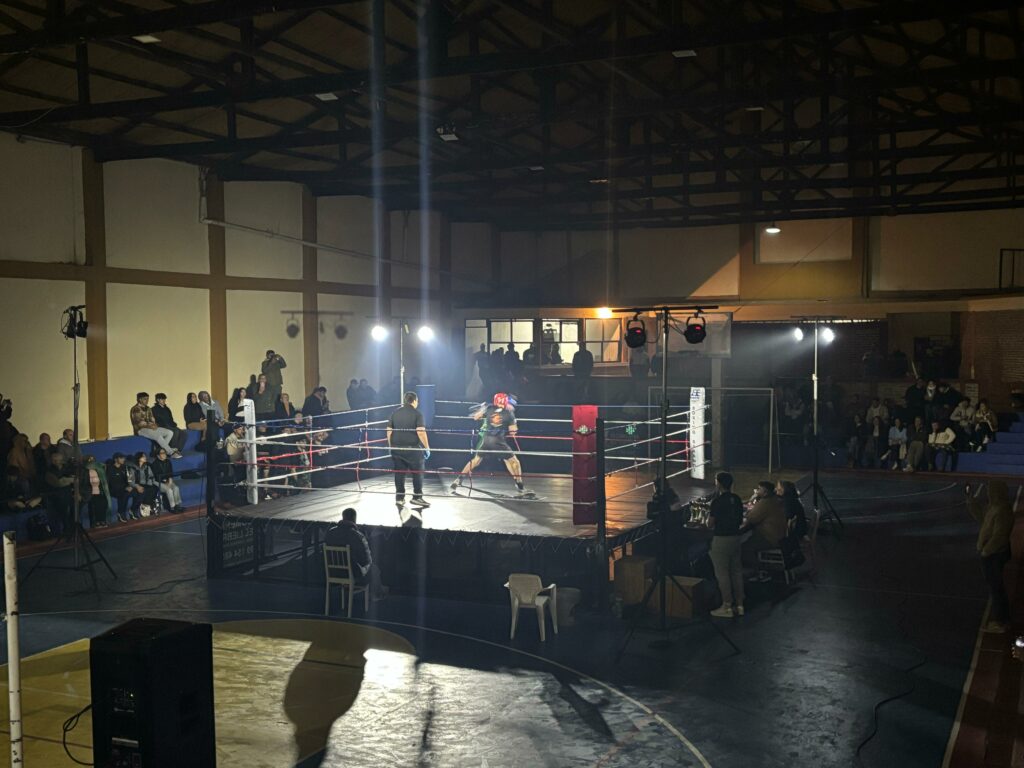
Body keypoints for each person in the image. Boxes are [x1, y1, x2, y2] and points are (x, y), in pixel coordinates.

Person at [450, 392, 529, 497]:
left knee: (476, 461)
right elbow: (513, 431)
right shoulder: (508, 413)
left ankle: (458, 479)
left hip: (486, 439)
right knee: (514, 461)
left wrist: (482, 411)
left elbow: (476, 417)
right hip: (498, 441)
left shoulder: (489, 408)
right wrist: (514, 421)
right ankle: (520, 485)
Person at [965, 481, 1014, 633]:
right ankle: (1002, 619)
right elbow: (982, 518)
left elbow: (1000, 536)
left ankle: (1001, 621)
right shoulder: (994, 507)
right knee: (995, 587)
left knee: (996, 588)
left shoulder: (1003, 511)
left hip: (995, 554)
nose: (988, 494)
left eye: (990, 491)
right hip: (991, 553)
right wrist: (971, 501)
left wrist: (986, 551)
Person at [708, 472, 745, 618]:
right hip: (736, 538)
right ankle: (740, 605)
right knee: (736, 572)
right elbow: (740, 520)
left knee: (722, 574)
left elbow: (710, 524)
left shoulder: (717, 502)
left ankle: (727, 605)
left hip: (721, 539)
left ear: (719, 484)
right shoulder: (737, 499)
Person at [386, 392, 431, 510]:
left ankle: (399, 498)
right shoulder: (417, 414)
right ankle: (417, 497)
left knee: (399, 473)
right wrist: (427, 447)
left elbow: (389, 431)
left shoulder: (394, 413)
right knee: (418, 471)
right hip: (412, 448)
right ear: (414, 401)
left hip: (396, 448)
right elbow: (421, 432)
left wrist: (390, 446)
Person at [741, 481, 787, 570]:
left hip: (770, 538)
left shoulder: (766, 502)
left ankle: (757, 570)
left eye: (759, 489)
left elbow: (752, 518)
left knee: (743, 548)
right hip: (779, 536)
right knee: (747, 537)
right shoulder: (774, 500)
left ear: (765, 492)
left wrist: (747, 512)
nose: (757, 491)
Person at [324, 507, 373, 586]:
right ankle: (377, 592)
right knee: (372, 566)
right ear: (355, 519)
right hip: (351, 573)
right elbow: (365, 559)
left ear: (343, 517)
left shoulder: (330, 532)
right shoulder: (357, 535)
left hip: (333, 572)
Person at [130, 392, 182, 459]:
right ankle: (171, 452)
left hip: (150, 428)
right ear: (140, 399)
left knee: (170, 432)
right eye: (145, 399)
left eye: (147, 399)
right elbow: (140, 423)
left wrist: (155, 425)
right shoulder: (136, 409)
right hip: (140, 430)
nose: (147, 401)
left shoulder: (148, 408)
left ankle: (159, 451)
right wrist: (151, 426)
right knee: (158, 436)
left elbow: (152, 419)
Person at [43, 449, 76, 538]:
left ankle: (71, 530)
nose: (57, 462)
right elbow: (58, 483)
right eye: (54, 460)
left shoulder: (67, 467)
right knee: (62, 515)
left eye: (58, 460)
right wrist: (68, 480)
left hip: (68, 494)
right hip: (56, 497)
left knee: (72, 513)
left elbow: (75, 479)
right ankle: (64, 532)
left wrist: (65, 480)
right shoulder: (49, 471)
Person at [776, 480, 808, 567]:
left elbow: (788, 516)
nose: (776, 489)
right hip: (800, 529)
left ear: (784, 489)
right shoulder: (792, 498)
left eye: (779, 487)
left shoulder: (788, 501)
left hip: (796, 532)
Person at [106, 452, 139, 522]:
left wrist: (130, 486)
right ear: (115, 459)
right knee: (124, 494)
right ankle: (121, 512)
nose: (123, 459)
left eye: (124, 458)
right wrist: (124, 488)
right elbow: (112, 483)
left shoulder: (124, 467)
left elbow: (128, 480)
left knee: (139, 492)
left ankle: (133, 510)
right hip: (114, 489)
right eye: (121, 458)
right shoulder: (110, 469)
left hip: (125, 488)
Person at [81, 455, 111, 528]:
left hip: (101, 490)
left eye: (93, 459)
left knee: (103, 505)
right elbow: (84, 482)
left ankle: (102, 520)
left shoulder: (100, 468)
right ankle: (95, 522)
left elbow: (104, 480)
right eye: (89, 459)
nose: (92, 461)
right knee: (95, 507)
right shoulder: (84, 470)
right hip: (90, 492)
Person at [151, 447, 183, 513]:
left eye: (165, 453)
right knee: (169, 490)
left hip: (167, 480)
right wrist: (165, 482)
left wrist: (170, 479)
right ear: (158, 455)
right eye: (162, 453)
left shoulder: (168, 462)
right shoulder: (154, 464)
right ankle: (172, 507)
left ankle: (177, 505)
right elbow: (156, 477)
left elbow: (170, 472)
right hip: (158, 481)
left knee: (176, 488)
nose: (164, 454)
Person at [128, 451, 160, 515]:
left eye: (145, 456)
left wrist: (150, 483)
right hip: (137, 484)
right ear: (139, 458)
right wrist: (137, 486)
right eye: (143, 456)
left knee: (155, 488)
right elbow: (130, 481)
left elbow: (152, 476)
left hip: (147, 484)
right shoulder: (133, 468)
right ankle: (139, 507)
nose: (145, 457)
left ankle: (147, 505)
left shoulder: (147, 467)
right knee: (143, 490)